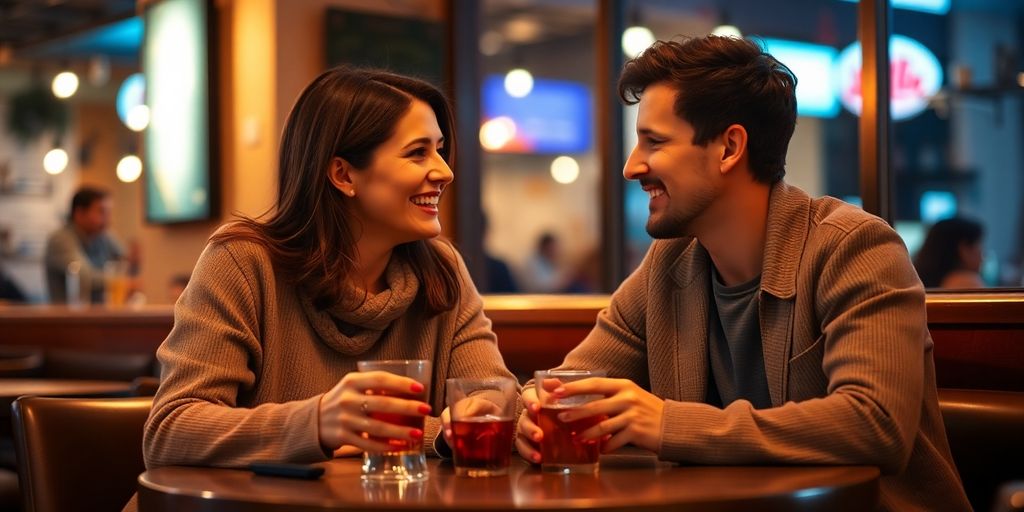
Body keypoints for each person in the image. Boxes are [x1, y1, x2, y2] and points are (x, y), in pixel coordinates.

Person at [515, 36, 969, 511]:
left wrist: (667, 424)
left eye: (654, 141)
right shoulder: (668, 265)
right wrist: (534, 415)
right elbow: (564, 387)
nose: (632, 166)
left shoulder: (852, 247)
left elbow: (875, 423)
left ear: (729, 147)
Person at [141, 68, 518, 482]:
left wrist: (436, 433)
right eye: (417, 153)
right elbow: (171, 430)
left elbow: (496, 403)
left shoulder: (442, 270)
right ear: (342, 174)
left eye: (440, 150)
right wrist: (318, 422)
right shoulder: (243, 262)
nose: (444, 171)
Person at [43, 186, 126, 304]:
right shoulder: (60, 240)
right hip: (68, 319)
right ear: (79, 213)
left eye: (108, 213)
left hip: (97, 318)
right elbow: (84, 277)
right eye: (102, 212)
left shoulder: (101, 235)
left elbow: (125, 261)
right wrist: (121, 282)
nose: (108, 219)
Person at [913, 217, 985, 289]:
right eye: (978, 246)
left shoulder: (916, 282)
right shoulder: (968, 281)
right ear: (964, 250)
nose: (982, 257)